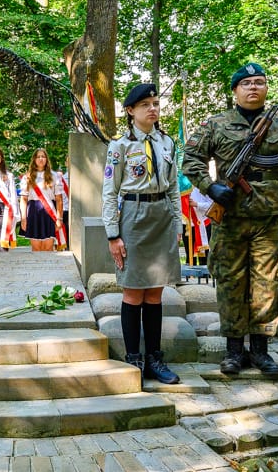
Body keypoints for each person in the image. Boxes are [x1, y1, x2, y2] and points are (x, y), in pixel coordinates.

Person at [183, 63, 278, 375]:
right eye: (247, 83)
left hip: (270, 219)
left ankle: (262, 350)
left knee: (267, 283)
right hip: (230, 218)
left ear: (266, 88)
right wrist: (211, 187)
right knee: (230, 281)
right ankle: (234, 350)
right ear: (235, 90)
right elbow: (191, 159)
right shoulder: (216, 124)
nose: (253, 88)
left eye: (260, 83)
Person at [103, 83, 182, 384]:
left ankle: (154, 359)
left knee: (156, 291)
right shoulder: (120, 146)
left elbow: (174, 186)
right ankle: (133, 358)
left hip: (161, 215)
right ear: (130, 111)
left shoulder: (167, 143)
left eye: (156, 103)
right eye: (145, 104)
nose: (153, 109)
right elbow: (109, 193)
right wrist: (113, 235)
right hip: (134, 218)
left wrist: (177, 223)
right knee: (134, 290)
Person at [20, 148, 65, 251]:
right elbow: (23, 199)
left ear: (47, 159)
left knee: (48, 248)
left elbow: (59, 199)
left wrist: (59, 218)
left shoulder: (54, 176)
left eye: (43, 156)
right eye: (38, 156)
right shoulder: (27, 177)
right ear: (34, 159)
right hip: (33, 214)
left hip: (49, 214)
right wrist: (23, 218)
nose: (41, 159)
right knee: (36, 248)